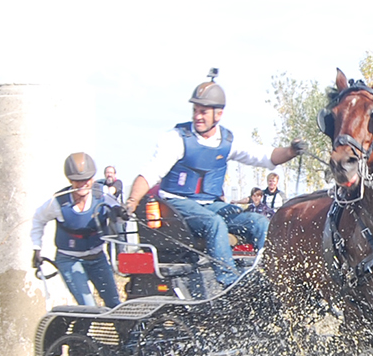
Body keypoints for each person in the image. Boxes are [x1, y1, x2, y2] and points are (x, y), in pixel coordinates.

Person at [123, 70, 305, 287]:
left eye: (203, 112)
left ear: (218, 114)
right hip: (177, 206)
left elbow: (264, 156)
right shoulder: (176, 139)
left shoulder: (227, 141)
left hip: (211, 205)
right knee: (214, 224)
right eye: (195, 111)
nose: (197, 116)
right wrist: (132, 202)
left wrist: (291, 151)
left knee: (258, 222)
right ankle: (230, 285)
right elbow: (150, 173)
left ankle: (275, 278)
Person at [31, 152, 121, 307]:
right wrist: (36, 248)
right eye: (76, 181)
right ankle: (81, 330)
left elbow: (118, 210)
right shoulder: (58, 202)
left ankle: (123, 331)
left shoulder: (102, 195)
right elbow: (38, 219)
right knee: (89, 306)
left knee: (114, 304)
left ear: (92, 179)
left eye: (85, 180)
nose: (81, 185)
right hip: (69, 259)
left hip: (97, 258)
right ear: (70, 180)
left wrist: (118, 213)